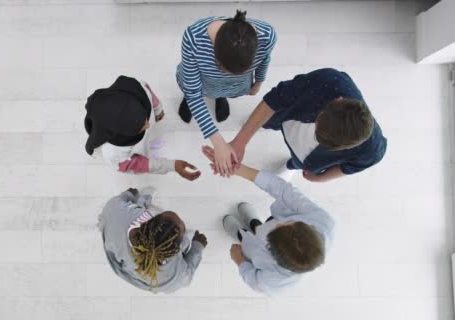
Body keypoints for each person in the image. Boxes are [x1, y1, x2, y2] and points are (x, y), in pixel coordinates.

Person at [203, 146, 333, 294]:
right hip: (273, 236)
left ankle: (241, 233)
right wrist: (238, 169)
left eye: (278, 227)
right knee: (265, 225)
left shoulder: (275, 282)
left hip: (251, 250)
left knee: (248, 240)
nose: (281, 222)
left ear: (272, 249)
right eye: (291, 222)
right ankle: (255, 223)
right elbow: (284, 190)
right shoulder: (324, 222)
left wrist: (240, 260)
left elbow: (253, 280)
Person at [228, 68, 387, 182]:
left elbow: (350, 168)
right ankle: (264, 125)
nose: (314, 131)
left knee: (296, 162)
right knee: (269, 121)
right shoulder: (329, 81)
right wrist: (241, 141)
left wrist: (320, 178)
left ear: (345, 148)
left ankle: (290, 166)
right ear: (338, 100)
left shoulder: (373, 151)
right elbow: (275, 99)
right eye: (319, 122)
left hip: (306, 159)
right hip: (287, 116)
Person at [176, 10, 277, 176]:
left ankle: (220, 97)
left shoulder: (268, 36)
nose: (227, 76)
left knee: (224, 91)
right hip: (200, 83)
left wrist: (258, 82)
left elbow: (265, 59)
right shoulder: (194, 38)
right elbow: (192, 89)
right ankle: (190, 100)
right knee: (191, 91)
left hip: (236, 87)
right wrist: (218, 142)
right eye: (224, 69)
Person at [85, 75, 201, 181]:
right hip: (134, 150)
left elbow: (148, 92)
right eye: (140, 127)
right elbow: (135, 165)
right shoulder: (112, 152)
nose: (148, 125)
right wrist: (171, 165)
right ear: (124, 132)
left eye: (145, 119)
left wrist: (157, 109)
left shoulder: (136, 87)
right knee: (144, 151)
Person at [98, 188, 208, 293]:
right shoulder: (175, 276)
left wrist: (128, 195)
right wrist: (197, 247)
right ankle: (184, 245)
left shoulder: (116, 213)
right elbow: (187, 276)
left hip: (121, 265)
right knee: (188, 240)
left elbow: (112, 206)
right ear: (176, 249)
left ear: (149, 220)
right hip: (145, 278)